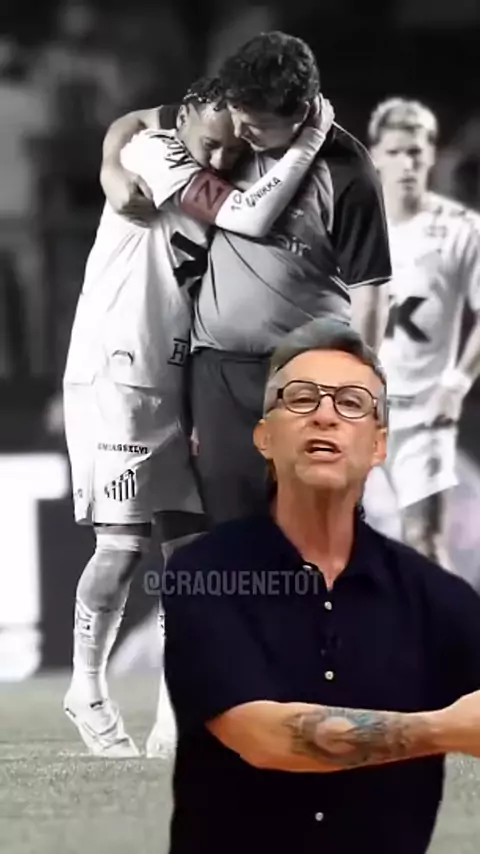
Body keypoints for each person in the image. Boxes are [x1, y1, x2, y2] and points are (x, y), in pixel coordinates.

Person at [62, 75, 332, 759]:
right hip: (122, 372)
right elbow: (145, 181)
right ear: (183, 117)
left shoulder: (225, 167)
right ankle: (86, 688)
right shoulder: (154, 151)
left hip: (183, 376)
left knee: (189, 555)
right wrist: (124, 141)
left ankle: (175, 714)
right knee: (121, 546)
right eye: (210, 144)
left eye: (230, 150)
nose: (219, 159)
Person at [161, 317, 480, 854]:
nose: (325, 415)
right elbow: (263, 737)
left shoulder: (435, 597)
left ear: (379, 445)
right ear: (264, 437)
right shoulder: (204, 574)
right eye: (302, 399)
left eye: (351, 403)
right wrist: (445, 729)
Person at [99, 31, 391, 526]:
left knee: (313, 533)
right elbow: (141, 119)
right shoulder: (226, 136)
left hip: (306, 374)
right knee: (231, 534)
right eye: (237, 116)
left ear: (301, 115)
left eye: (255, 126)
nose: (239, 133)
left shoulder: (348, 170)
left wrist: (360, 388)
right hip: (218, 375)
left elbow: (371, 289)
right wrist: (110, 165)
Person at [356, 98, 480, 568]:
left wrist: (457, 382)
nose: (407, 163)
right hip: (349, 408)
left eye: (416, 151)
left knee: (424, 542)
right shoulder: (342, 229)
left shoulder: (462, 230)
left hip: (423, 414)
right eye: (395, 152)